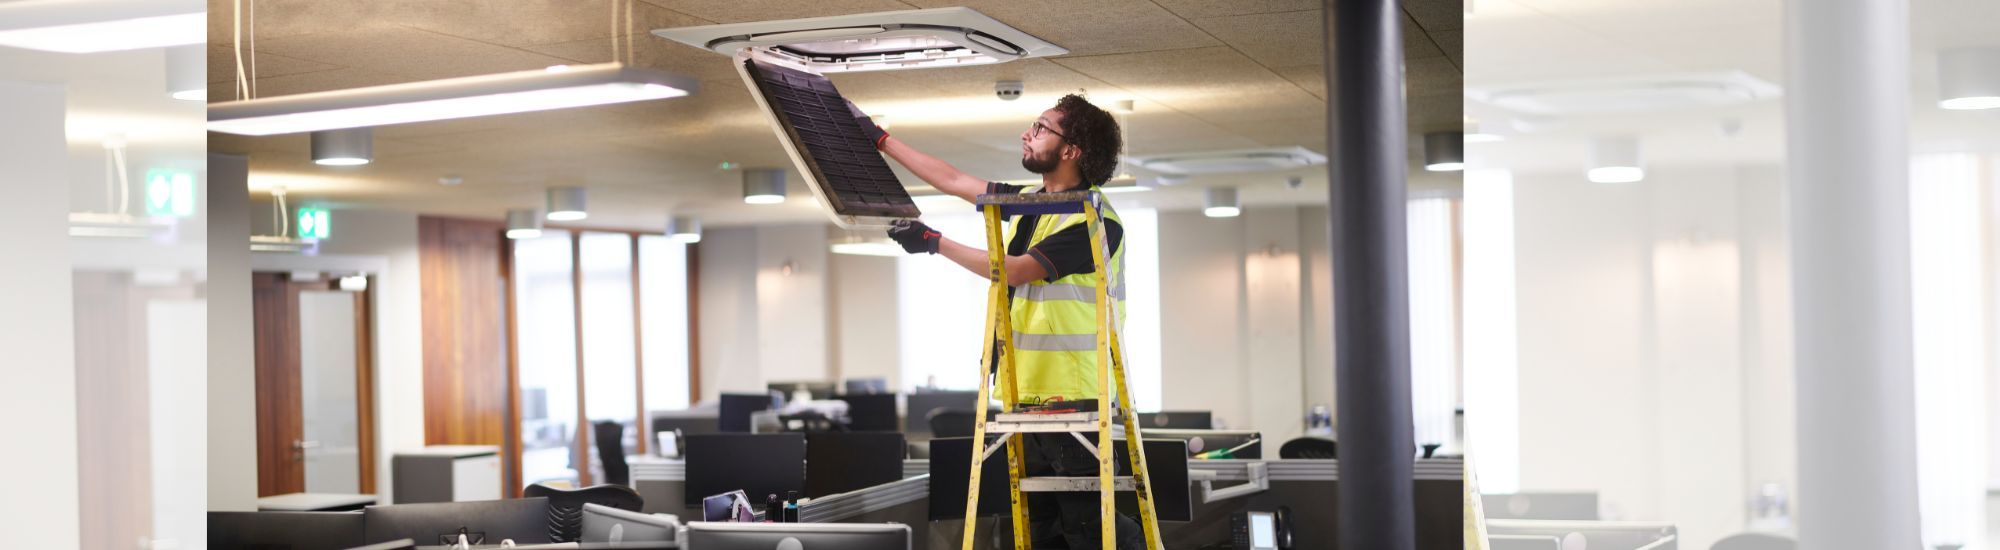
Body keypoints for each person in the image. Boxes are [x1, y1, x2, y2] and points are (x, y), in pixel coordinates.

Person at [850, 94, 1141, 550]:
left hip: (1076, 397)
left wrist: (935, 242)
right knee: (1039, 531)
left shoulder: (1096, 221)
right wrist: (881, 140)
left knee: (1086, 530)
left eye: (1041, 128)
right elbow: (952, 179)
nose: (1027, 134)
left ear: (1071, 150)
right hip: (1025, 396)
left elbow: (1016, 269)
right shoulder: (1031, 203)